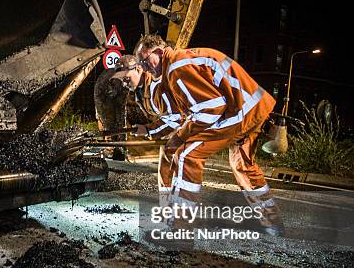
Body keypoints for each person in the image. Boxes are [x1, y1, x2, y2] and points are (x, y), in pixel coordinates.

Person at [110, 34, 283, 236]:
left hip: (239, 111)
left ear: (157, 52)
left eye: (145, 61)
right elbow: (196, 110)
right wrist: (156, 131)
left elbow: (210, 109)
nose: (145, 67)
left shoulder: (175, 68)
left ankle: (179, 228)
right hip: (251, 106)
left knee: (186, 155)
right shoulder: (176, 65)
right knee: (242, 166)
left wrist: (177, 136)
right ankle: (273, 223)